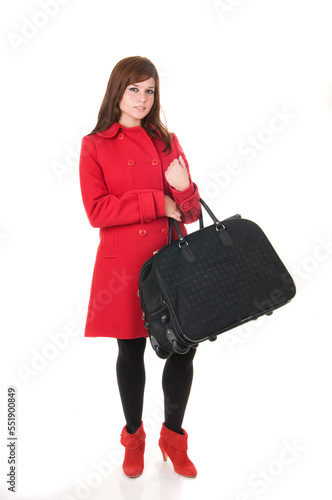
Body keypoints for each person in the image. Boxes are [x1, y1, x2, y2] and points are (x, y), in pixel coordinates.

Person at [79, 56, 201, 479]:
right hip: (123, 266)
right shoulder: (94, 144)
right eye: (134, 89)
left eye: (150, 90)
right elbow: (97, 210)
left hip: (170, 260)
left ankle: (174, 437)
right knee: (130, 349)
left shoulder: (167, 140)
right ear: (118, 90)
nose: (143, 98)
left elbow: (187, 213)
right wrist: (156, 202)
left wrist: (184, 191)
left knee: (184, 346)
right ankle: (134, 437)